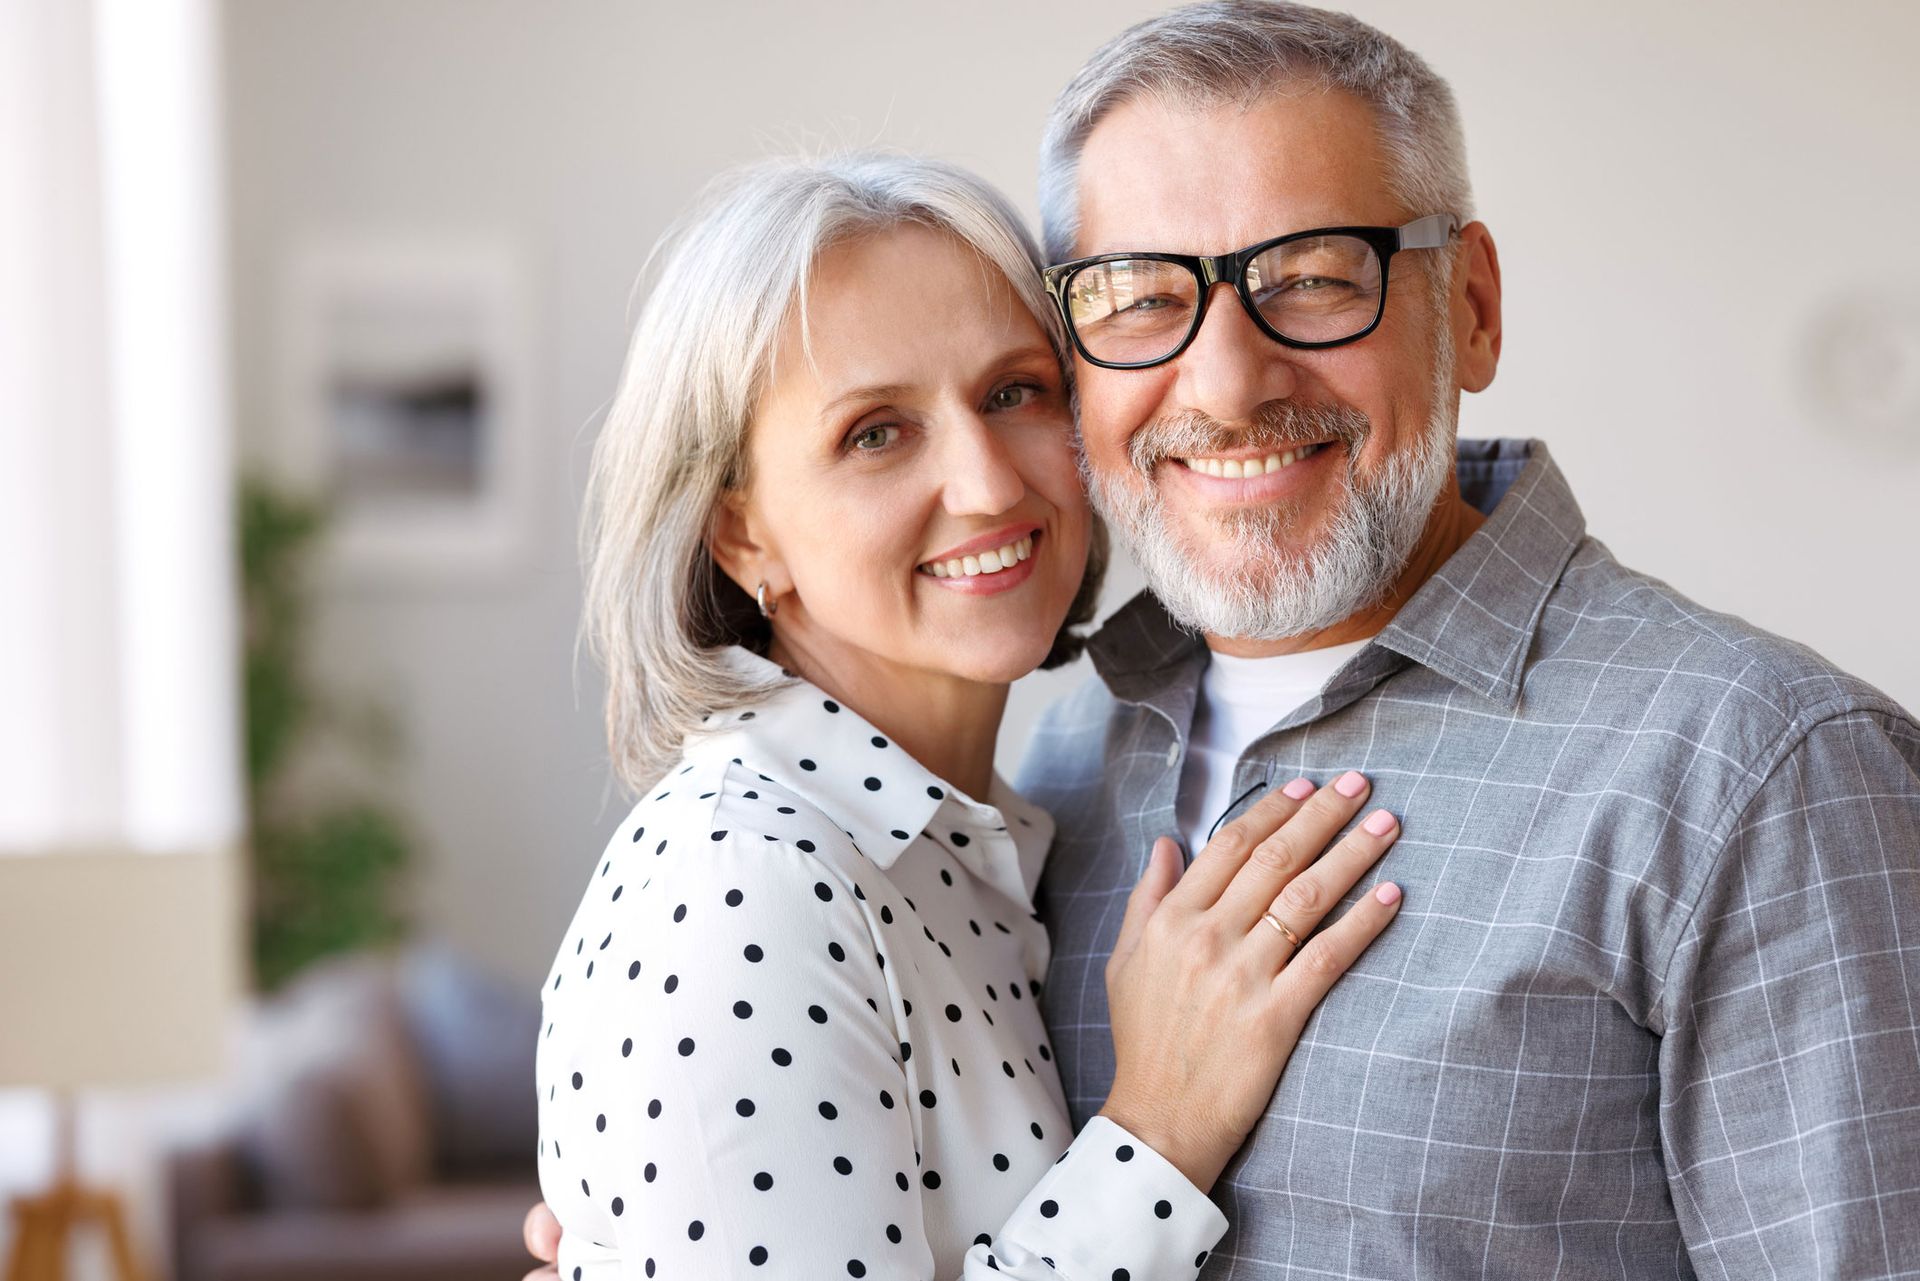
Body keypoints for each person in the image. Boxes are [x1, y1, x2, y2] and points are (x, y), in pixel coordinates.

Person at [529, 3, 1920, 1277]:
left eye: (1315, 278)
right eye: (1143, 297)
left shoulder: (1765, 779)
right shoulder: (1055, 768)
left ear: (1473, 307)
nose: (1231, 380)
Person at [534, 150, 1411, 1280]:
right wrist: (1158, 1135)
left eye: (1014, 393)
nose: (991, 484)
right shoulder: (736, 882)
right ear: (739, 531)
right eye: (876, 433)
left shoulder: (988, 834)